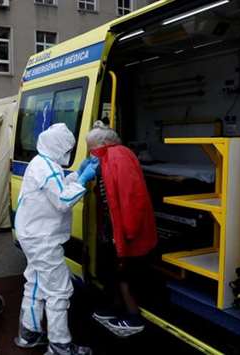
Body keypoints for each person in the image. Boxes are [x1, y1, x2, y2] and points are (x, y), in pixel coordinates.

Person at [13, 123, 97, 355]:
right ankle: (60, 345)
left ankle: (28, 332)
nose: (67, 153)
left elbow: (56, 187)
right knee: (59, 290)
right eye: (66, 148)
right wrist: (83, 180)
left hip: (31, 235)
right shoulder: (47, 167)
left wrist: (77, 175)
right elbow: (62, 200)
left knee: (36, 283)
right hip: (43, 239)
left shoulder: (41, 162)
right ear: (58, 147)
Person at [86, 121, 157, 337]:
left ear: (106, 143)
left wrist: (128, 232)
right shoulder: (107, 157)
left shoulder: (119, 156)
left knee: (124, 273)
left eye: (93, 148)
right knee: (111, 270)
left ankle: (133, 316)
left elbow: (131, 198)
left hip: (126, 229)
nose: (91, 153)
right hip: (113, 227)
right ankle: (116, 308)